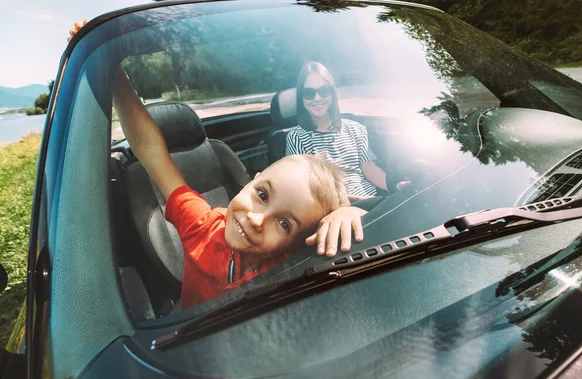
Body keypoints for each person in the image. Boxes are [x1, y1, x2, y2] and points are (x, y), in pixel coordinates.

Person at [69, 22, 368, 309]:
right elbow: (151, 152)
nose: (256, 219)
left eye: (284, 223)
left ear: (300, 237)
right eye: (262, 195)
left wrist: (349, 213)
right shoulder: (203, 226)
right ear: (253, 178)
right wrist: (114, 75)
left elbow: (369, 233)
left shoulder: (296, 257)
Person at [286, 62, 409, 201]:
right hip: (333, 208)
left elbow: (370, 169)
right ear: (301, 97)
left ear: (332, 93)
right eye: (308, 93)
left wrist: (395, 186)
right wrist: (352, 199)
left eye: (324, 91)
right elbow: (306, 187)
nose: (317, 98)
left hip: (371, 200)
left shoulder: (356, 129)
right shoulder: (297, 137)